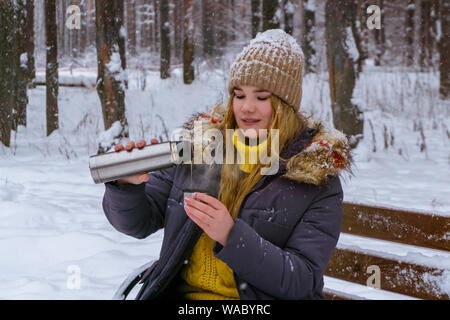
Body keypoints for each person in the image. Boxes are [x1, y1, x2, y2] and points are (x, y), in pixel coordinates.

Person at [102, 29, 352, 300]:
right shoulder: (199, 149)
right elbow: (137, 224)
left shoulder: (314, 180)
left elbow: (300, 279)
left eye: (262, 97)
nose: (246, 108)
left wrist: (232, 235)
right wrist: (126, 187)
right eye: (239, 94)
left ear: (284, 104)